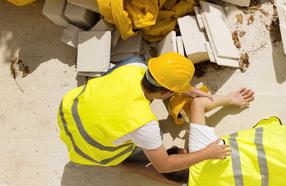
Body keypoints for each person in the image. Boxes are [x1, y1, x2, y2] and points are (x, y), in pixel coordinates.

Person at [57, 52, 229, 173]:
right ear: (168, 93)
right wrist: (207, 154)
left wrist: (187, 89)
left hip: (68, 113)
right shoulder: (144, 124)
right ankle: (126, 161)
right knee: (157, 138)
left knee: (131, 60)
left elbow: (159, 78)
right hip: (91, 151)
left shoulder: (134, 66)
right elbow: (164, 165)